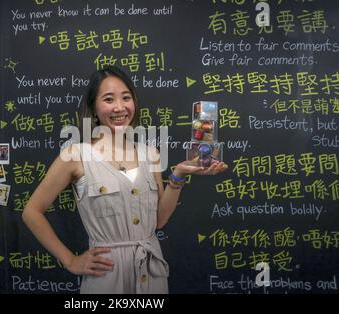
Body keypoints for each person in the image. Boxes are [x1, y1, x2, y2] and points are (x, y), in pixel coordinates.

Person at [22, 66, 227, 294]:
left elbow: (159, 220)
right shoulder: (75, 155)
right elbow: (31, 212)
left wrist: (178, 174)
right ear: (94, 107)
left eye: (126, 98)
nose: (120, 107)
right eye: (108, 99)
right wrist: (71, 260)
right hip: (105, 276)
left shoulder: (150, 154)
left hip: (152, 275)